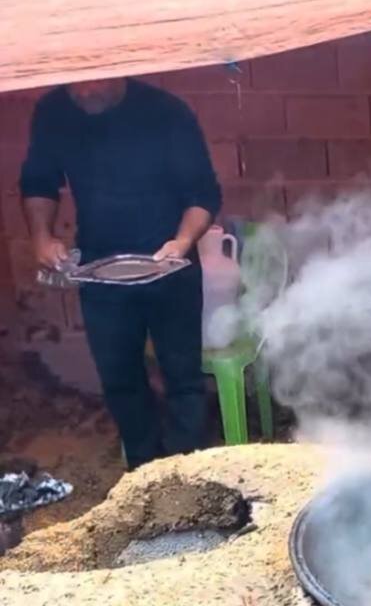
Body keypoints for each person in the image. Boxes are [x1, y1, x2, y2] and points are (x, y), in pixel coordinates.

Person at [20, 78, 221, 470]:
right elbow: (38, 182)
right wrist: (42, 238)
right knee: (120, 380)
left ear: (118, 72)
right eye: (74, 86)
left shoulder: (167, 112)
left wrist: (181, 243)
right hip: (101, 270)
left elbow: (204, 194)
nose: (82, 94)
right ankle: (144, 474)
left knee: (183, 377)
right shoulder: (53, 110)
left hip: (170, 264)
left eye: (92, 85)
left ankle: (189, 474)